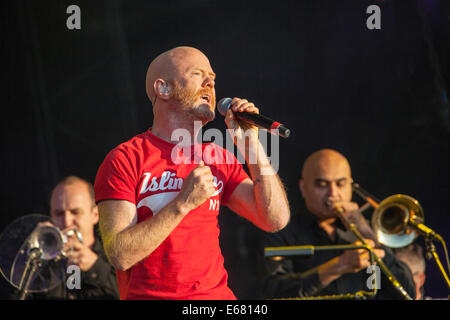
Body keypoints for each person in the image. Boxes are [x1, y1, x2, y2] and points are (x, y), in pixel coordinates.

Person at [94, 46, 290, 300]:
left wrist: (251, 146)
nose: (210, 83)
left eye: (213, 79)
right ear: (163, 88)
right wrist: (182, 203)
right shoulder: (125, 159)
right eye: (197, 74)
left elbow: (274, 219)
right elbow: (120, 255)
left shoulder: (218, 158)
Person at [260, 149, 416, 299]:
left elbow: (408, 293)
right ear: (303, 187)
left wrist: (369, 235)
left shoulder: (370, 230)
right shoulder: (282, 231)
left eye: (340, 184)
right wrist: (339, 266)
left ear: (350, 186)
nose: (333, 193)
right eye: (322, 185)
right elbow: (274, 292)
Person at [30, 176, 119, 300]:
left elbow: (129, 294)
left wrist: (94, 266)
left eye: (75, 212)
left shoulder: (117, 257)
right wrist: (32, 254)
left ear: (95, 215)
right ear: (51, 216)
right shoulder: (42, 262)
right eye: (59, 214)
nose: (66, 222)